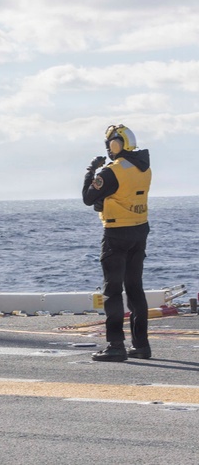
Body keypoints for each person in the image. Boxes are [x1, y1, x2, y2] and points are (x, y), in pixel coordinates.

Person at [82, 124, 152, 362]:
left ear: (115, 145)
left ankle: (115, 346)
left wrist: (91, 170)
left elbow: (88, 197)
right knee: (135, 288)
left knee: (112, 291)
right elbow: (124, 195)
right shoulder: (143, 167)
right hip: (139, 230)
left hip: (116, 234)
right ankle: (141, 345)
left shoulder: (112, 171)